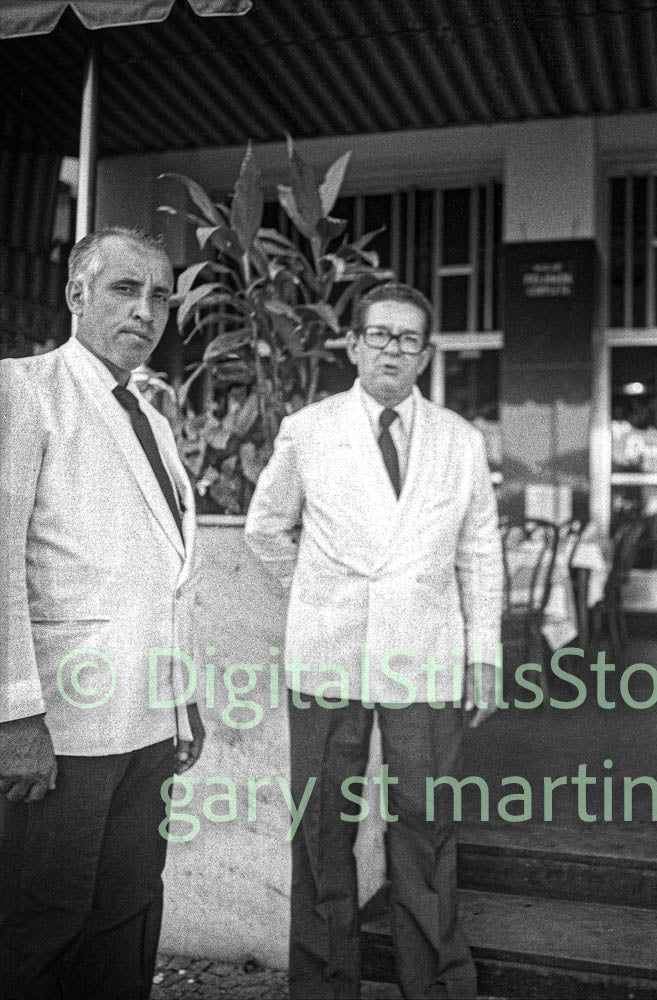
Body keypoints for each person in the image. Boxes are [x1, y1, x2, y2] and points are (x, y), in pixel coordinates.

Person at [244, 282, 503, 999]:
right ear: (353, 345)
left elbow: (480, 550)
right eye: (379, 335)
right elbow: (265, 528)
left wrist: (484, 652)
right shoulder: (310, 428)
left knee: (426, 826)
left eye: (408, 338)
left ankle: (438, 985)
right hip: (330, 654)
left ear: (425, 355)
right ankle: (325, 985)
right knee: (323, 830)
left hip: (426, 656)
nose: (393, 348)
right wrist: (320, 592)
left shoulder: (460, 440)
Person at [0, 227, 205, 999]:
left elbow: (168, 577)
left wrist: (185, 697)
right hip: (60, 725)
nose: (146, 310)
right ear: (77, 294)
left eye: (160, 295)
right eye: (126, 289)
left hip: (149, 719)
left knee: (127, 913)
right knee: (40, 921)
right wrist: (13, 716)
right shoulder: (22, 390)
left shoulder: (149, 417)